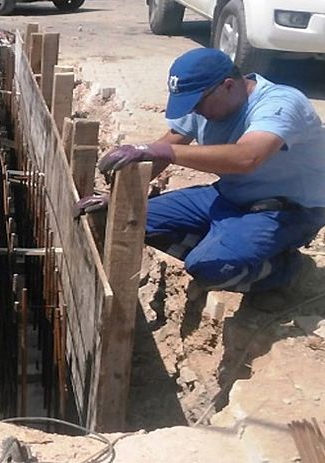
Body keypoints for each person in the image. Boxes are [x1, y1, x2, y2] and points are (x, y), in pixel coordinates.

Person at [82, 48, 325, 310]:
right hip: (229, 196)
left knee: (211, 268)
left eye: (198, 103)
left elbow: (248, 158)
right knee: (123, 217)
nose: (195, 110)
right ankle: (226, 246)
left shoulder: (280, 103)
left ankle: (285, 271)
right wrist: (116, 198)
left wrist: (166, 152)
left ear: (228, 86)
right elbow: (168, 146)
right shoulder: (203, 99)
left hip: (290, 210)